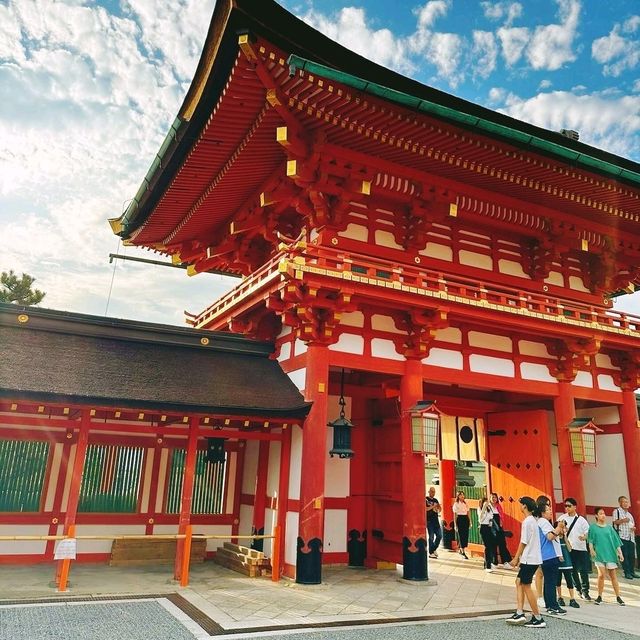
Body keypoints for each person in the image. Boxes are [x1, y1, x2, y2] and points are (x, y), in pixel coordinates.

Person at [506, 496, 545, 628]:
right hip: (531, 557)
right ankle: (519, 612)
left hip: (530, 558)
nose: (519, 506)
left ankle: (537, 617)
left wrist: (516, 558)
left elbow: (524, 542)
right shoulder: (533, 520)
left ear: (524, 506)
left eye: (520, 504)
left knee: (525, 585)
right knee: (519, 582)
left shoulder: (527, 522)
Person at [589, 506, 625, 605]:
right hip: (599, 554)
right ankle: (599, 596)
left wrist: (620, 553)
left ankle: (618, 596)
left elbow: (616, 541)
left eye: (604, 513)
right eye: (600, 513)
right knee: (601, 575)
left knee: (613, 575)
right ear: (596, 515)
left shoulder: (610, 528)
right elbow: (590, 540)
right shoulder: (593, 527)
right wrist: (591, 549)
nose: (603, 515)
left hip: (610, 554)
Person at [559, 497, 592, 600]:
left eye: (569, 506)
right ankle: (578, 589)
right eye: (565, 506)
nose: (567, 508)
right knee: (572, 570)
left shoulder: (581, 520)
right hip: (568, 548)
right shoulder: (562, 518)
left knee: (583, 570)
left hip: (581, 548)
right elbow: (556, 531)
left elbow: (588, 532)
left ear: (574, 507)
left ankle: (585, 591)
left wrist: (584, 537)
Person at [537, 499, 566, 615]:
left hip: (545, 555)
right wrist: (559, 528)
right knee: (551, 581)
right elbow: (550, 536)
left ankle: (549, 604)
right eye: (548, 509)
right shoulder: (543, 522)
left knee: (548, 581)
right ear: (542, 513)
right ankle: (554, 605)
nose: (550, 511)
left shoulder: (539, 522)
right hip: (549, 555)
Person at [556, 518, 580, 609]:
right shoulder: (556, 539)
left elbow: (570, 549)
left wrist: (565, 537)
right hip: (558, 563)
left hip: (567, 563)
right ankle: (560, 597)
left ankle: (572, 598)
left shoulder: (566, 539)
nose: (563, 529)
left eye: (564, 527)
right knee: (557, 581)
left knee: (569, 580)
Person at [613, 496, 639, 579]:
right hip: (621, 536)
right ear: (620, 503)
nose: (625, 504)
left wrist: (633, 529)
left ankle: (632, 571)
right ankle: (626, 572)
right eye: (623, 502)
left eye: (626, 502)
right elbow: (615, 522)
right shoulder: (616, 511)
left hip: (630, 537)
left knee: (631, 555)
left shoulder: (630, 515)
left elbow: (632, 525)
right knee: (624, 555)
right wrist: (622, 521)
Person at [490, 492, 513, 568]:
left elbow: (501, 516)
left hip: (499, 527)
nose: (494, 499)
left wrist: (501, 522)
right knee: (493, 545)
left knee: (502, 544)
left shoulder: (498, 506)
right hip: (491, 527)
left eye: (495, 497)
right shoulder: (488, 507)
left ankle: (506, 562)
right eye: (492, 497)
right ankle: (494, 562)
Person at [478, 496, 497, 572]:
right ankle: (487, 567)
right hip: (483, 528)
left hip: (489, 528)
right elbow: (480, 519)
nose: (487, 503)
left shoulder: (490, 509)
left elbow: (491, 517)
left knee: (491, 545)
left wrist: (491, 522)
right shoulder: (479, 509)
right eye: (485, 501)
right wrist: (483, 508)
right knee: (487, 546)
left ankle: (488, 563)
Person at [425, 486, 442, 558]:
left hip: (436, 521)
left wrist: (438, 507)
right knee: (431, 537)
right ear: (428, 492)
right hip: (429, 521)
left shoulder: (436, 500)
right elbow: (426, 509)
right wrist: (433, 506)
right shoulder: (426, 499)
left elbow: (439, 510)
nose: (433, 493)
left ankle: (434, 548)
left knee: (439, 536)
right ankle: (430, 552)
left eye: (434, 492)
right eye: (431, 491)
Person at [453, 491, 470, 559]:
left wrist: (470, 521)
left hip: (465, 518)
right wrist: (455, 524)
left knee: (466, 534)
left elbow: (468, 512)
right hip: (459, 519)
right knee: (461, 534)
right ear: (458, 496)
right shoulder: (456, 504)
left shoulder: (465, 503)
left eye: (463, 495)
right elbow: (455, 515)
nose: (462, 496)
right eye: (461, 495)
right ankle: (462, 550)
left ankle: (461, 549)